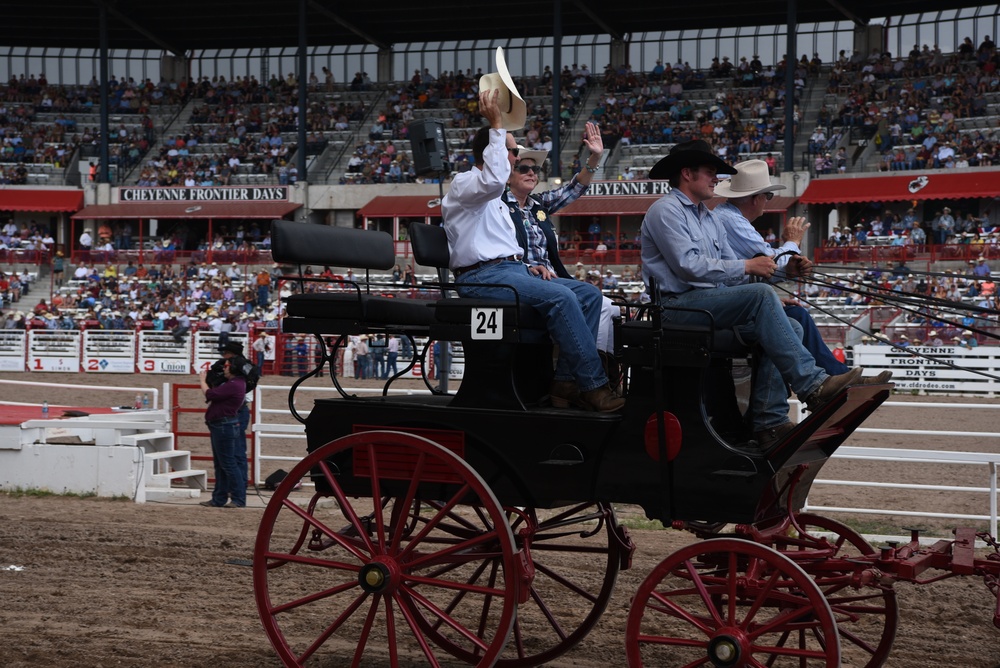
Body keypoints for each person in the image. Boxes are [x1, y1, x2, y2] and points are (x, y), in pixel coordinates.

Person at [640, 140, 881, 449]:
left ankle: (770, 422)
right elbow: (691, 267)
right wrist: (749, 271)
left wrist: (785, 273)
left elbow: (741, 270)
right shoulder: (666, 211)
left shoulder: (709, 217)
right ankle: (814, 386)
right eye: (711, 172)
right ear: (687, 174)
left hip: (703, 306)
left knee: (789, 324)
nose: (716, 180)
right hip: (674, 309)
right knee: (761, 297)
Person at [441, 52, 622, 412]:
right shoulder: (465, 184)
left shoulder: (496, 196)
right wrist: (496, 128)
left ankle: (566, 383)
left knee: (586, 294)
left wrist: (527, 266)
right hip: (481, 277)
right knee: (563, 298)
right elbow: (493, 180)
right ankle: (594, 385)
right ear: (489, 152)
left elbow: (512, 218)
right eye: (511, 153)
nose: (515, 158)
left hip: (508, 272)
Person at [503, 126, 622, 388]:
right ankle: (580, 380)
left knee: (609, 307)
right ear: (507, 174)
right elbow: (497, 251)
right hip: (524, 279)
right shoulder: (497, 206)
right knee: (602, 306)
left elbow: (575, 188)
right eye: (523, 168)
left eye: (535, 170)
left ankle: (583, 376)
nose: (532, 173)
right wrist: (527, 267)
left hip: (550, 280)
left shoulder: (539, 206)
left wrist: (594, 158)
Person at [712, 159, 854, 377]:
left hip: (729, 298)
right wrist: (793, 243)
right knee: (796, 316)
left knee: (797, 315)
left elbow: (760, 268)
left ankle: (833, 377)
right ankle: (832, 378)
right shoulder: (731, 220)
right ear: (755, 198)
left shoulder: (727, 216)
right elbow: (770, 261)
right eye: (767, 196)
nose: (767, 201)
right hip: (726, 304)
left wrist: (788, 269)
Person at [198, 355, 249, 508]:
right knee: (223, 463)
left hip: (223, 425)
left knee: (227, 463)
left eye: (227, 366)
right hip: (224, 424)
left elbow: (210, 394)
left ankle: (237, 498)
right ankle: (221, 498)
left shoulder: (234, 384)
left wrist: (202, 380)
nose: (224, 368)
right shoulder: (236, 383)